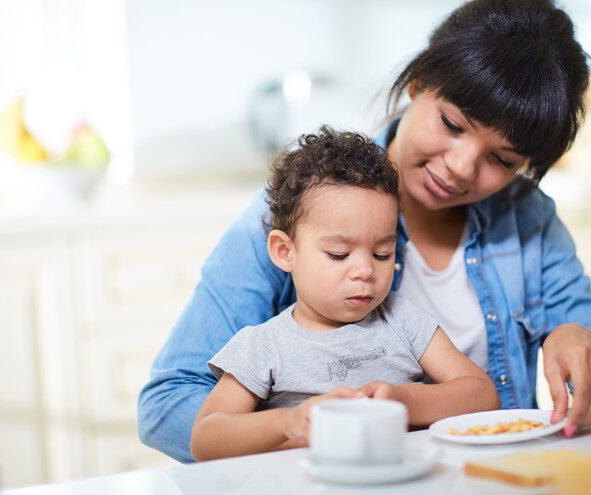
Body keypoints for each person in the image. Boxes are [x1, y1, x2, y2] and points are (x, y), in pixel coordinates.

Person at [138, 0, 591, 463]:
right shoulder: (304, 209)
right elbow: (168, 403)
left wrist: (589, 346)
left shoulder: (528, 216)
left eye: (501, 159)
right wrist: (314, 428)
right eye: (453, 124)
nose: (462, 167)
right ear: (419, 83)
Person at [189, 127, 500, 461]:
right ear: (284, 252)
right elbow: (206, 439)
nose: (366, 270)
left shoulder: (401, 317)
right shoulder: (262, 346)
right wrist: (288, 421)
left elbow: (482, 395)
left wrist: (406, 402)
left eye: (383, 254)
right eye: (339, 254)